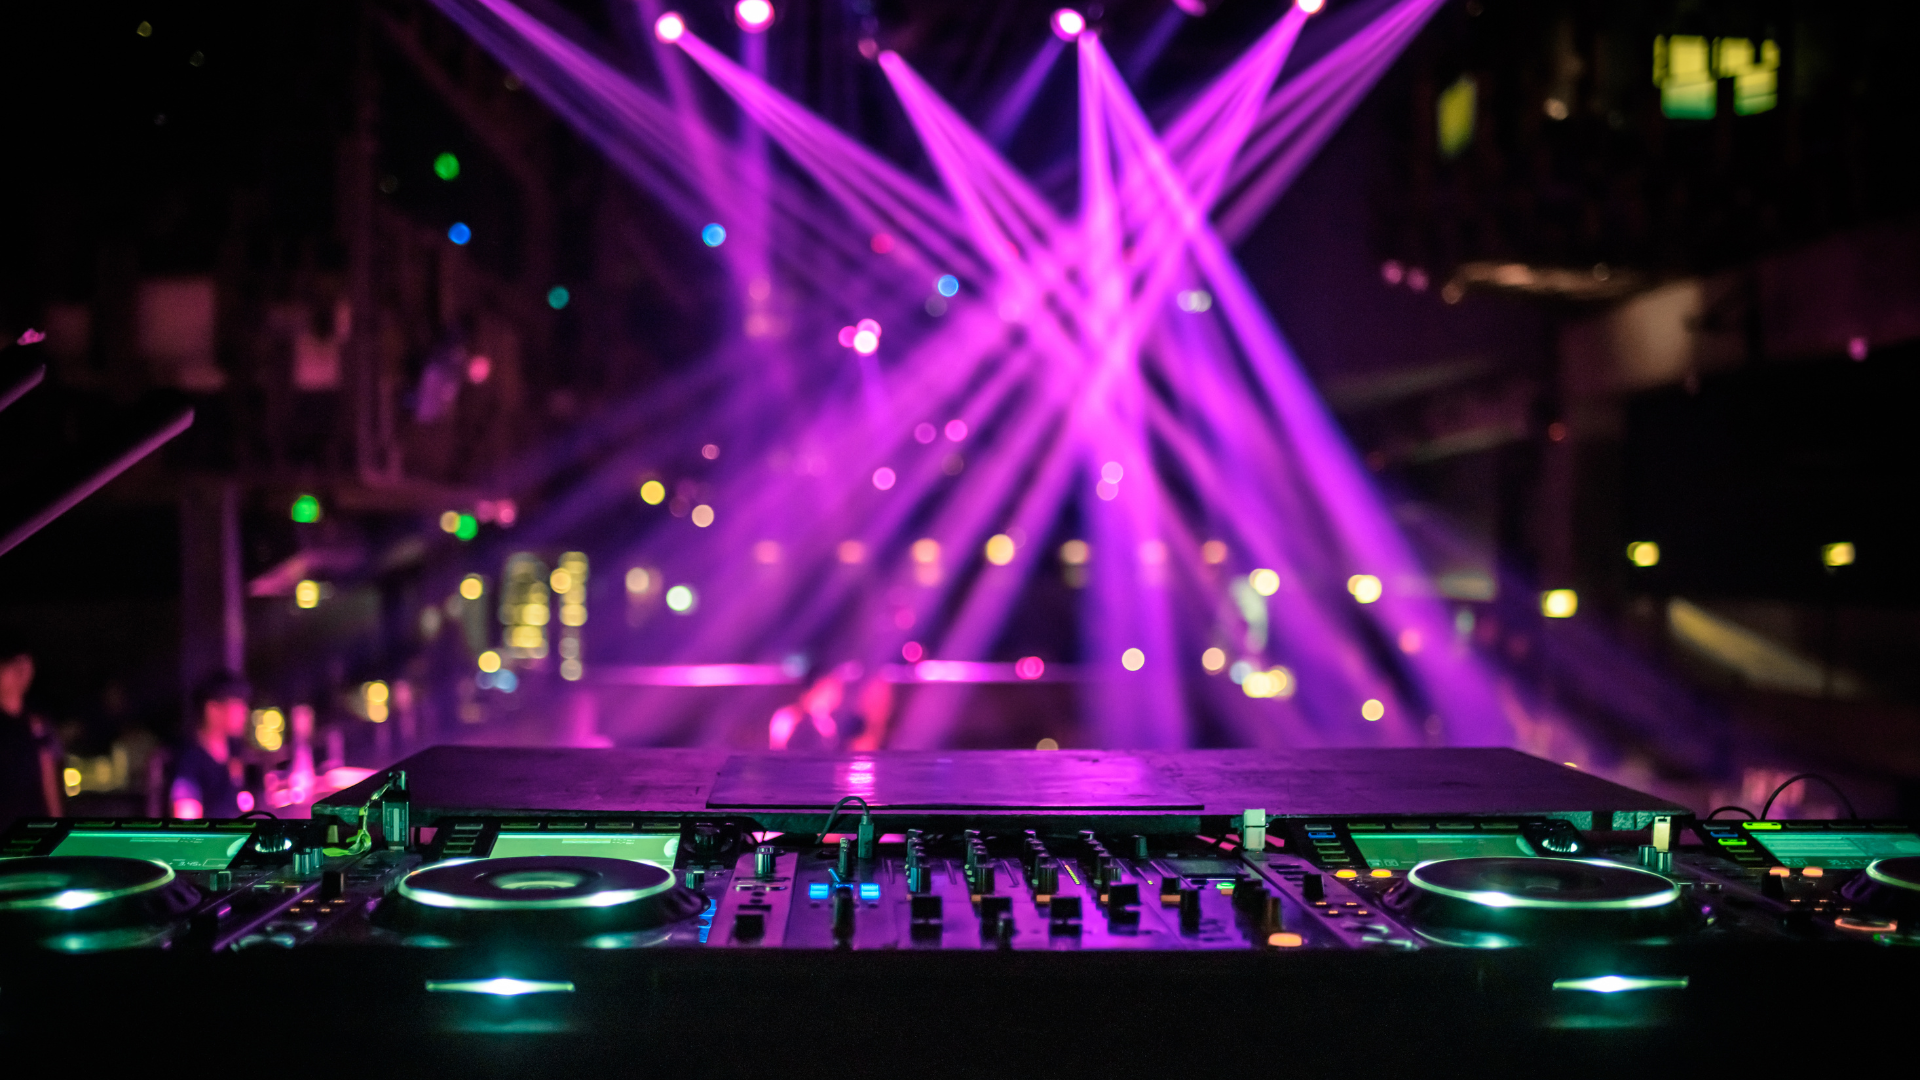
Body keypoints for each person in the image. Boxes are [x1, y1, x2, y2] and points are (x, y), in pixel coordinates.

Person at [170, 671, 252, 820]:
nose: (244, 712)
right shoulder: (189, 761)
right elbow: (188, 828)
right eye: (237, 704)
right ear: (212, 709)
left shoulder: (235, 750)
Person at [0, 641, 62, 826]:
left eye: (25, 667)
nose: (21, 672)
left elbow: (49, 780)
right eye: (12, 666)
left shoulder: (37, 725)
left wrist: (57, 827)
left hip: (32, 828)